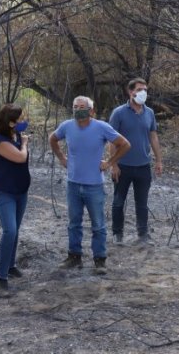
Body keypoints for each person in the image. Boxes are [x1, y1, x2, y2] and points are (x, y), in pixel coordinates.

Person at [49, 96, 130, 274]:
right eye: (75, 107)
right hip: (73, 184)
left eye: (82, 107)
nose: (78, 110)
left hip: (94, 185)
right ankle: (74, 256)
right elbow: (52, 139)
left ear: (91, 110)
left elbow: (124, 144)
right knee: (74, 223)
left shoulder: (101, 127)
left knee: (98, 224)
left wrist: (109, 162)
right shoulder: (67, 126)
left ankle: (100, 260)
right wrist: (62, 158)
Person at [109, 78, 163, 245]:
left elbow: (153, 136)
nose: (142, 93)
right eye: (139, 89)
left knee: (142, 203)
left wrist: (158, 160)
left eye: (145, 90)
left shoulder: (149, 113)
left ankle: (143, 235)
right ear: (130, 91)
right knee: (118, 202)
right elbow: (111, 139)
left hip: (143, 166)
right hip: (122, 166)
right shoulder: (118, 113)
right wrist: (114, 164)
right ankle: (117, 235)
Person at [0, 103, 31, 292]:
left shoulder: (16, 135)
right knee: (10, 230)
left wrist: (21, 140)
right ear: (11, 122)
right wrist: (25, 145)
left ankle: (11, 266)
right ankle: (1, 276)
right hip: (3, 191)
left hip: (20, 191)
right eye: (21, 119)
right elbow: (20, 157)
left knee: (16, 229)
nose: (24, 122)